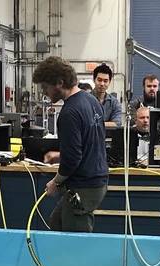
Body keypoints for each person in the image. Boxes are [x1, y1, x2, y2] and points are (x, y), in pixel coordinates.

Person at [33, 56, 108, 232]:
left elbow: (73, 159)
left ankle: (75, 260)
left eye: (45, 87)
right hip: (97, 180)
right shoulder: (91, 101)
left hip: (84, 186)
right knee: (57, 223)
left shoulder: (69, 112)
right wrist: (60, 155)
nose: (44, 92)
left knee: (75, 242)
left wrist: (55, 182)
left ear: (59, 82)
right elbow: (89, 144)